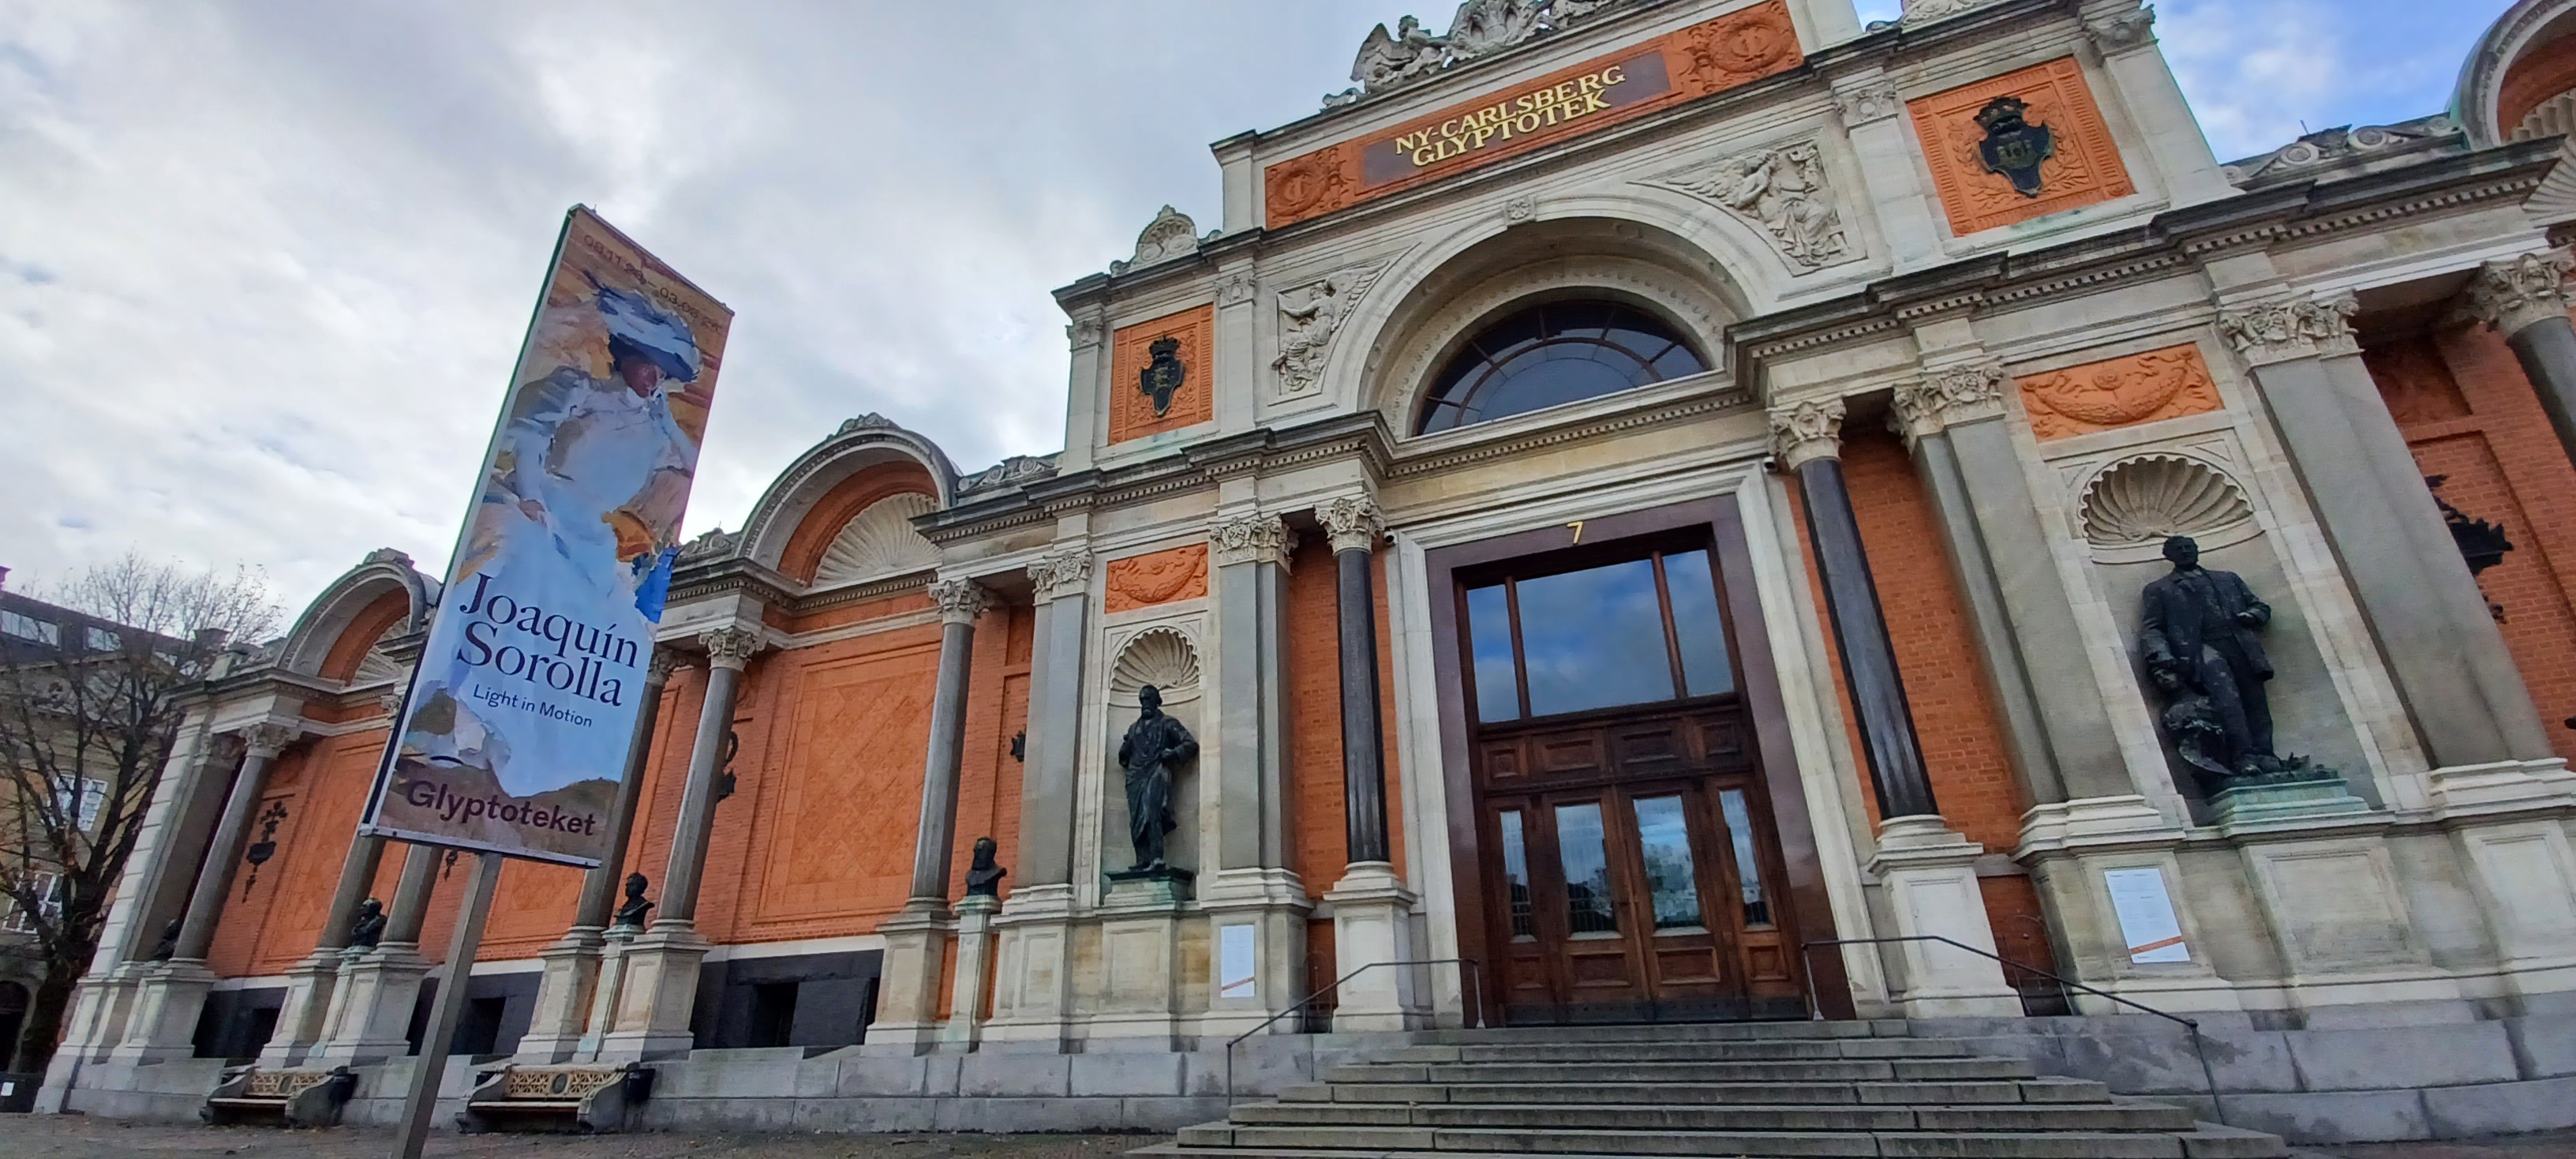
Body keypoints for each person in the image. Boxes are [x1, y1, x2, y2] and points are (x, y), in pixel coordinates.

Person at [2139, 535, 2277, 779]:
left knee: (2255, 701)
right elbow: (2153, 628)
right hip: (2201, 649)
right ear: (2168, 556)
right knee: (2228, 701)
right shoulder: (2160, 589)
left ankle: (2265, 754)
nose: (2185, 552)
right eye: (2178, 549)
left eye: (2189, 547)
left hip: (2240, 644)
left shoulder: (2227, 579)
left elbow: (2260, 607)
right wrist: (2161, 656)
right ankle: (2243, 757)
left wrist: (2252, 616)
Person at [1115, 685, 1197, 872]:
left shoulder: (1168, 724)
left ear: (1157, 701)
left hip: (1157, 772)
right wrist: (1126, 747)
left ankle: (1157, 857)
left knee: (1153, 813)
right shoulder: (1133, 728)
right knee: (1136, 818)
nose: (1145, 703)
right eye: (1142, 700)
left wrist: (1174, 752)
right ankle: (1142, 859)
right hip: (1136, 777)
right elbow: (1123, 758)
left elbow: (1190, 744)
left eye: (1149, 699)